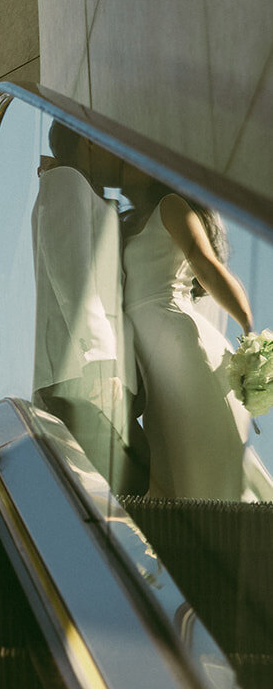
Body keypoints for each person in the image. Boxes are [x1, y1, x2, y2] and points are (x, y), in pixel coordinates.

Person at [122, 170, 252, 500]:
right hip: (156, 360)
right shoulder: (126, 220)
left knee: (196, 467)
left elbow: (205, 266)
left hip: (182, 349)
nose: (124, 166)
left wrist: (249, 329)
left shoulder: (171, 205)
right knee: (172, 468)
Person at [30, 122, 145, 496]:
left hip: (93, 373)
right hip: (82, 373)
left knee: (125, 480)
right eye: (107, 144)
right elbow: (72, 274)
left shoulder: (81, 189)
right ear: (86, 145)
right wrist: (99, 360)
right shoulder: (65, 181)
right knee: (126, 480)